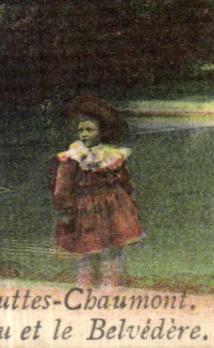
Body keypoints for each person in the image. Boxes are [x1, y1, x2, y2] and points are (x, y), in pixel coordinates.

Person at [51, 95, 144, 288]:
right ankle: (84, 285)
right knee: (85, 248)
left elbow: (124, 180)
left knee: (112, 247)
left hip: (112, 206)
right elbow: (63, 185)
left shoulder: (111, 156)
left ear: (101, 132)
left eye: (90, 130)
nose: (84, 134)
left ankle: (110, 285)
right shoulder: (73, 157)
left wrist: (128, 201)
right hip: (85, 206)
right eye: (81, 130)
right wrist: (65, 209)